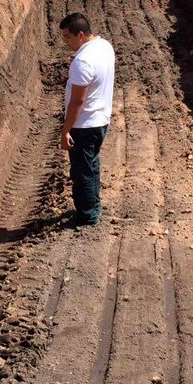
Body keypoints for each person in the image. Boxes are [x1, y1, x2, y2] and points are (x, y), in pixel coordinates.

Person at [58, 12, 115, 227]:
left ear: (80, 34)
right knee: (91, 166)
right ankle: (94, 206)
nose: (65, 42)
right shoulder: (104, 46)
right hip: (101, 119)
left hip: (84, 125)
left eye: (67, 37)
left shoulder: (82, 61)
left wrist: (66, 130)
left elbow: (77, 102)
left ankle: (87, 216)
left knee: (82, 172)